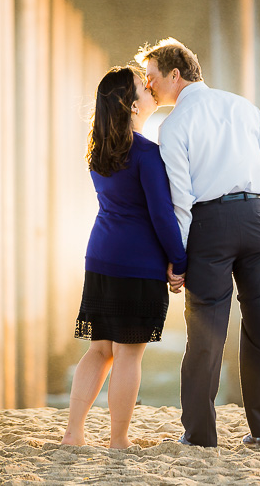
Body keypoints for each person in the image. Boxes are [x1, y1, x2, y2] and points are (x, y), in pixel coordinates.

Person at [137, 38, 260, 448]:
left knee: (206, 330)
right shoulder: (242, 106)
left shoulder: (174, 126)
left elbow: (181, 200)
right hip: (258, 218)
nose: (147, 86)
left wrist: (177, 259)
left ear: (174, 75)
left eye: (151, 78)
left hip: (210, 224)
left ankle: (200, 435)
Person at [61, 65, 187, 450]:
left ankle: (73, 434)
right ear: (133, 107)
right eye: (143, 88)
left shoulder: (98, 151)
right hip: (139, 264)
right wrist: (179, 262)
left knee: (99, 350)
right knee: (128, 355)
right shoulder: (148, 154)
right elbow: (162, 215)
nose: (151, 90)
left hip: (100, 257)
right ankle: (118, 440)